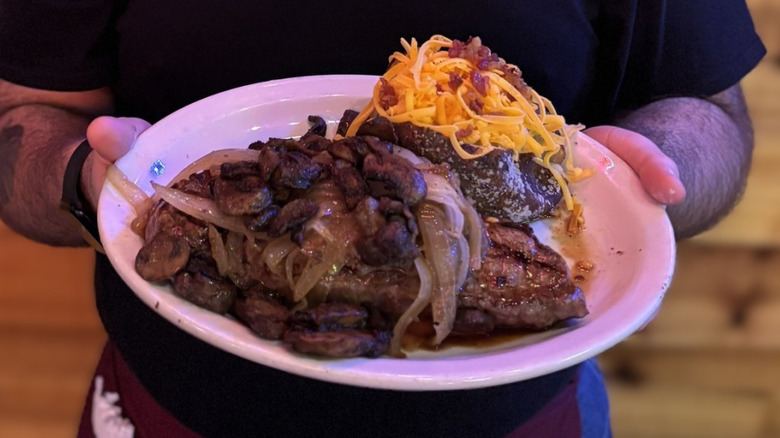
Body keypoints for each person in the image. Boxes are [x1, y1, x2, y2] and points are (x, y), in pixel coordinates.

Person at [0, 1, 765, 437]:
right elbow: (24, 117)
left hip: (522, 416)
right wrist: (85, 180)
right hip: (168, 409)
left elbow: (708, 109)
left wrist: (654, 169)